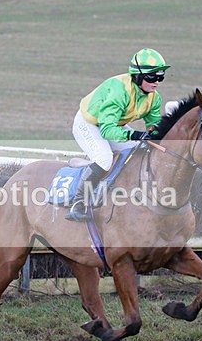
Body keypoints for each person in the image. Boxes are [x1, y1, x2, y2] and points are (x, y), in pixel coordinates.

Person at [67, 47, 170, 222]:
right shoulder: (119, 91)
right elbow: (107, 130)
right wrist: (136, 135)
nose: (156, 82)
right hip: (89, 123)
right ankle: (77, 203)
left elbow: (153, 127)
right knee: (104, 159)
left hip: (114, 124)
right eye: (152, 77)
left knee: (139, 151)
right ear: (137, 76)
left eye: (160, 77)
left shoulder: (154, 97)